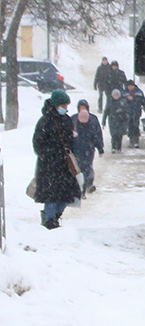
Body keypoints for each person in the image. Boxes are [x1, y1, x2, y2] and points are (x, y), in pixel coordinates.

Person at [31, 89, 81, 228]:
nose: (65, 109)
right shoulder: (45, 121)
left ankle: (55, 216)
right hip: (49, 165)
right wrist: (51, 155)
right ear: (56, 105)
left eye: (66, 106)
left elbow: (70, 141)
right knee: (51, 194)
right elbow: (38, 144)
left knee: (67, 194)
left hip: (64, 164)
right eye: (63, 106)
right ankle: (49, 220)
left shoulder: (66, 121)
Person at [71, 99, 105, 195]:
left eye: (84, 107)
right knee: (78, 168)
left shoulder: (93, 119)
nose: (83, 109)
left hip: (88, 148)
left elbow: (97, 135)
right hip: (76, 148)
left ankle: (88, 184)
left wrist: (100, 147)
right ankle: (79, 186)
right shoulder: (73, 119)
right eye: (81, 108)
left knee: (87, 167)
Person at [122, 80, 145, 148]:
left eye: (131, 86)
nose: (130, 87)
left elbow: (143, 101)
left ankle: (136, 141)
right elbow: (121, 102)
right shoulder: (124, 93)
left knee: (136, 126)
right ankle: (131, 141)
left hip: (137, 111)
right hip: (128, 112)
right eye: (129, 86)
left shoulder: (139, 92)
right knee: (130, 126)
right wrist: (127, 100)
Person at [104, 88, 129, 153]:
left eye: (117, 95)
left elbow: (126, 110)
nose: (116, 96)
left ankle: (119, 148)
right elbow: (106, 111)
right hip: (113, 121)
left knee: (119, 135)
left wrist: (125, 116)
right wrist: (103, 121)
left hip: (121, 121)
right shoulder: (110, 102)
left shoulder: (123, 101)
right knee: (114, 135)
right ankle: (113, 147)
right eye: (115, 95)